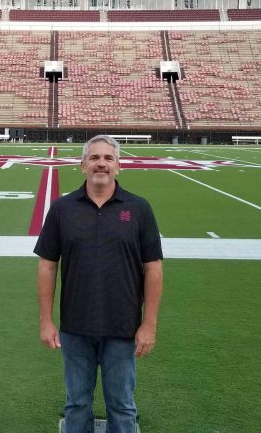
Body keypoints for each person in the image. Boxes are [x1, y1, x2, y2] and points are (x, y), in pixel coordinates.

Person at [35, 134, 164, 433]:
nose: (101, 164)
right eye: (94, 158)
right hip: (75, 327)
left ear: (119, 166)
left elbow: (153, 268)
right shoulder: (63, 208)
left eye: (108, 158)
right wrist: (45, 321)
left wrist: (149, 325)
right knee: (77, 404)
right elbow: (47, 265)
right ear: (82, 165)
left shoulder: (139, 209)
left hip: (123, 327)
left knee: (121, 405)